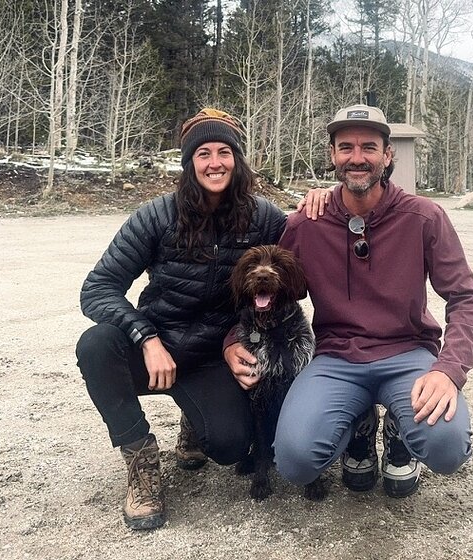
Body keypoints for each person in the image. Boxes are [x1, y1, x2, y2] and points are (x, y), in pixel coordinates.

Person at [229, 103, 473, 498]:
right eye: (346, 147)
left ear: (388, 155)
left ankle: (400, 431)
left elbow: (466, 297)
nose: (357, 157)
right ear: (332, 155)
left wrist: (448, 370)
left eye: (369, 147)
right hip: (336, 358)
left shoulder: (424, 217)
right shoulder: (306, 223)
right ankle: (358, 424)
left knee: (447, 449)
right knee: (295, 462)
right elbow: (265, 292)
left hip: (408, 354)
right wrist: (231, 340)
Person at [75, 108, 287, 530]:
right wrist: (146, 337)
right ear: (190, 163)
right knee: (96, 344)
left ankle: (195, 419)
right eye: (203, 154)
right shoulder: (156, 216)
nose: (215, 163)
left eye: (224, 152)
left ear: (237, 159)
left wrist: (322, 200)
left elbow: (306, 251)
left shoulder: (264, 218)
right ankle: (140, 460)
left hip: (213, 357)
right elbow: (97, 288)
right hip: (158, 347)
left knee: (230, 446)